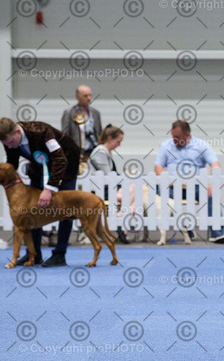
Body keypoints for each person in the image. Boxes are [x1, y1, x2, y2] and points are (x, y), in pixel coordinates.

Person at [0, 117, 81, 266]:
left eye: (11, 142)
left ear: (17, 131)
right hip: (38, 164)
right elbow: (12, 165)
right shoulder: (8, 139)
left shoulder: (42, 132)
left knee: (65, 207)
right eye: (6, 145)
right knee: (32, 207)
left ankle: (60, 254)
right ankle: (34, 254)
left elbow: (60, 159)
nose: (10, 147)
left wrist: (49, 189)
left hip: (66, 161)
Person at [155, 120, 224, 244]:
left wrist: (211, 183)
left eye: (177, 137)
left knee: (212, 195)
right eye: (173, 136)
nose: (174, 140)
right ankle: (186, 229)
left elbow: (215, 164)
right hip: (172, 187)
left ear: (187, 134)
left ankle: (217, 233)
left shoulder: (201, 145)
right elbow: (158, 166)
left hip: (197, 187)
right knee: (160, 195)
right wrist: (165, 180)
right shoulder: (166, 145)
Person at [88, 125, 130, 244]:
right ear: (110, 138)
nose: (119, 145)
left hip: (106, 187)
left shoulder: (105, 152)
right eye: (118, 141)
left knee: (131, 192)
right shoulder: (100, 151)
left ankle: (121, 221)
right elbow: (107, 175)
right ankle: (121, 223)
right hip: (99, 189)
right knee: (131, 192)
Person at [61, 85, 102, 163]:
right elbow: (65, 135)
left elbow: (100, 133)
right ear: (77, 97)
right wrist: (71, 152)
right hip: (78, 153)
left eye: (90, 95)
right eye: (85, 96)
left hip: (94, 152)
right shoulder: (69, 112)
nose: (89, 98)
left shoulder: (96, 113)